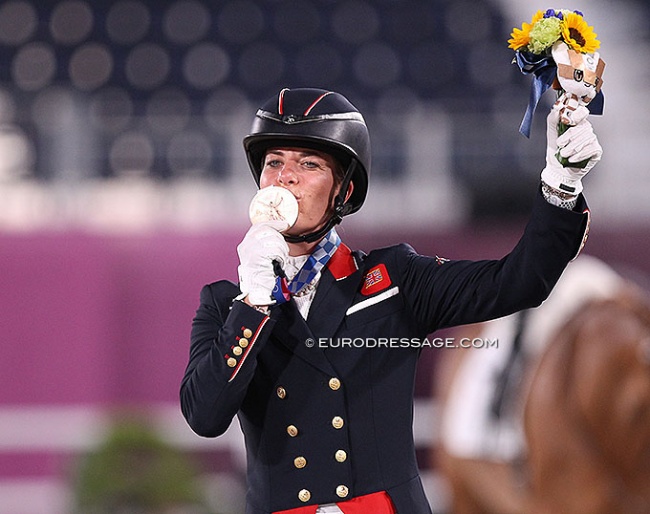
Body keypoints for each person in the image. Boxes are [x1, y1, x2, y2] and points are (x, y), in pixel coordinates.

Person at [180, 87, 600, 514]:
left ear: (343, 191)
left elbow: (517, 282)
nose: (285, 177)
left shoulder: (395, 279)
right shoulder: (225, 303)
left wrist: (560, 186)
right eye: (274, 163)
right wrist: (254, 301)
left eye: (308, 164)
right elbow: (205, 416)